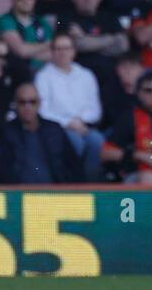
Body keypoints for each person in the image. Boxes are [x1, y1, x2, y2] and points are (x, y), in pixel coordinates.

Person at [34, 32, 105, 182]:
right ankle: (73, 184)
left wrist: (79, 121)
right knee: (75, 143)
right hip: (57, 128)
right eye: (58, 49)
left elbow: (95, 109)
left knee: (98, 142)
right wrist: (68, 123)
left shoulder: (86, 75)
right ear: (52, 52)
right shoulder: (43, 76)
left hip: (83, 125)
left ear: (73, 51)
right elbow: (42, 110)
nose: (62, 52)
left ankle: (92, 184)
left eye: (66, 48)